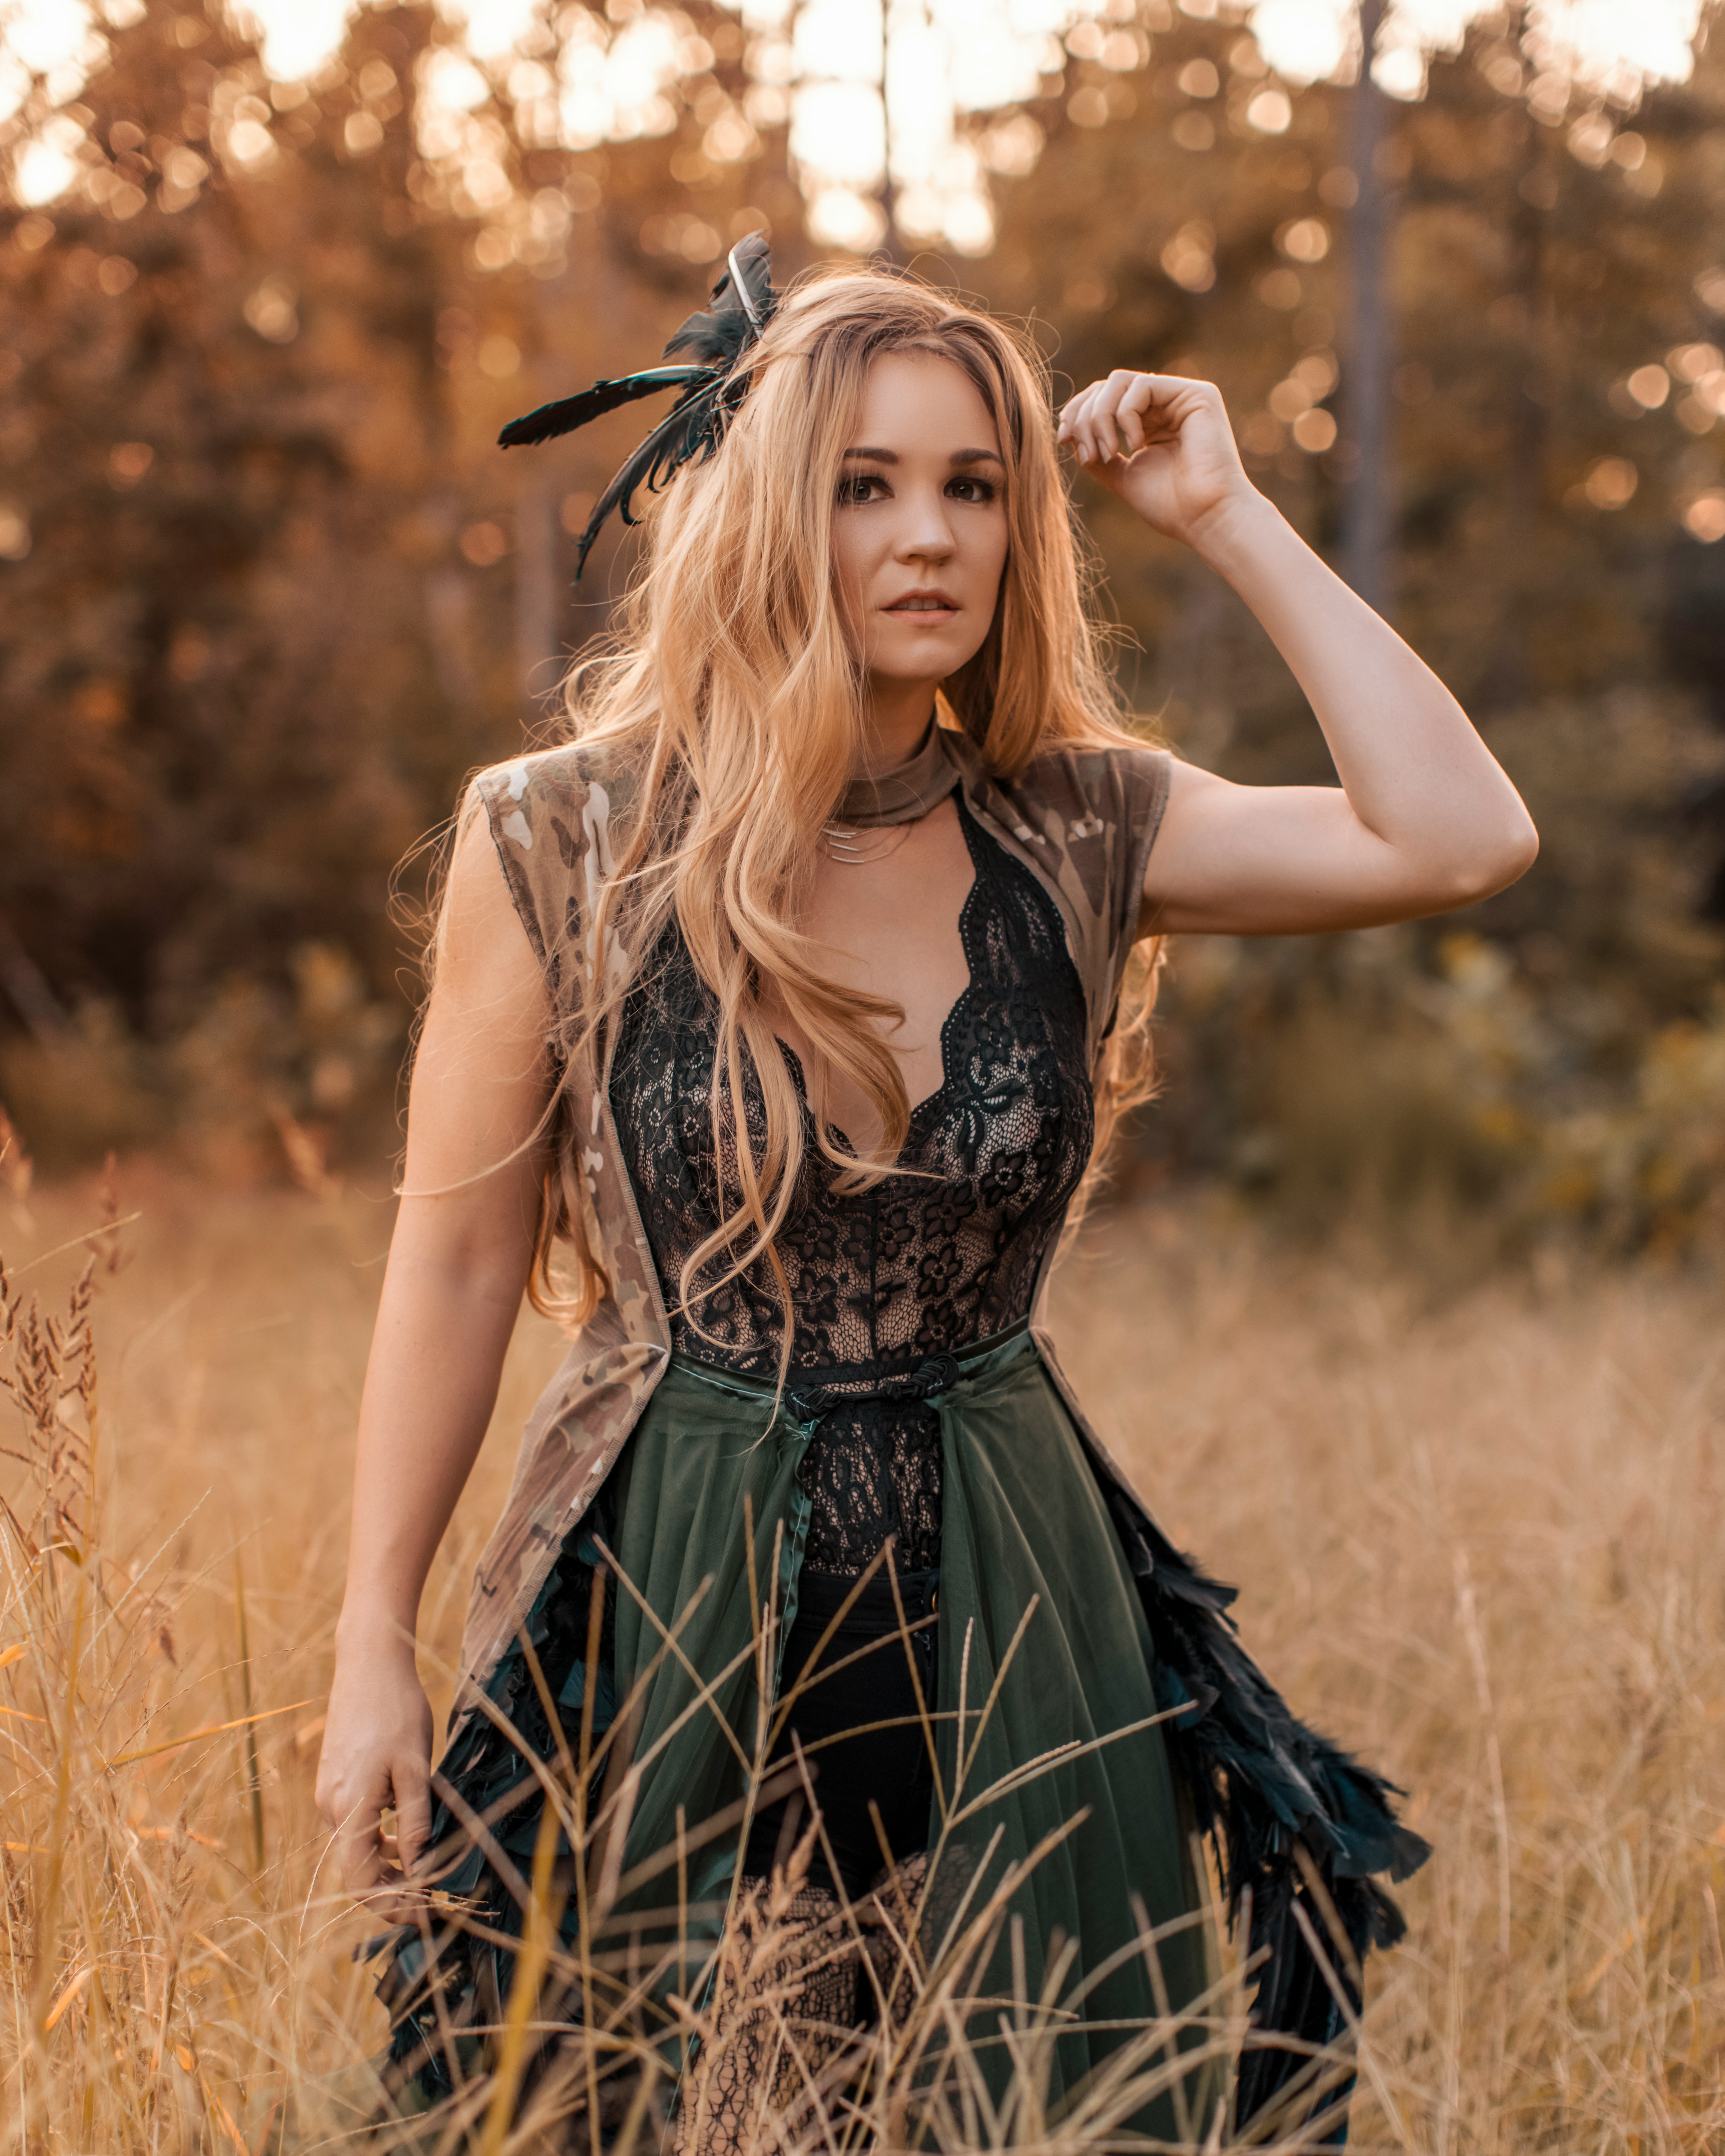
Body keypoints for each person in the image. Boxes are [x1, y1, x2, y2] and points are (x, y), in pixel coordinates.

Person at [314, 245, 1535, 2150]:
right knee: (588, 2101)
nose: (926, 536)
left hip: (1014, 1575)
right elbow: (460, 1254)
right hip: (666, 1556)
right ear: (764, 509)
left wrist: (1224, 512)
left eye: (973, 485)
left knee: (1049, 2106)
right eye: (863, 484)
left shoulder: (1079, 819)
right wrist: (369, 1644)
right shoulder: (552, 834)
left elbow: (1458, 835)